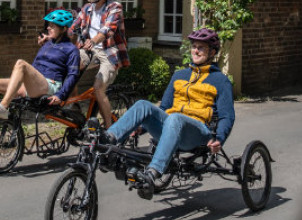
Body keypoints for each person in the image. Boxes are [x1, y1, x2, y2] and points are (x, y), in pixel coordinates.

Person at [99, 27, 234, 200]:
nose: (196, 51)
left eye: (201, 48)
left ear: (212, 52)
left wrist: (219, 138)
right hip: (171, 126)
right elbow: (162, 110)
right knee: (143, 105)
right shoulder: (179, 75)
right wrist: (142, 128)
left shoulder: (220, 80)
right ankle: (108, 140)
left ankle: (152, 173)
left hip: (197, 132)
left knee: (175, 118)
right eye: (194, 46)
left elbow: (226, 116)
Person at [70, 0, 129, 128]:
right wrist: (52, 37)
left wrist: (93, 40)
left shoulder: (114, 7)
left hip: (109, 51)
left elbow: (108, 29)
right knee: (68, 68)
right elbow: (72, 28)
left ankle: (110, 130)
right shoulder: (86, 8)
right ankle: (75, 109)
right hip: (89, 50)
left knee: (98, 88)